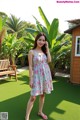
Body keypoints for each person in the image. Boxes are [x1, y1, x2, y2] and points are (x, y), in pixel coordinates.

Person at [25, 32, 53, 120]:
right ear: (36, 40)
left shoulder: (44, 51)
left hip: (46, 75)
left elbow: (49, 60)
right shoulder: (31, 52)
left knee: (42, 95)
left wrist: (47, 48)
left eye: (43, 40)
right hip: (36, 76)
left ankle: (40, 112)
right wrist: (30, 79)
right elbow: (30, 66)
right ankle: (27, 117)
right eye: (40, 40)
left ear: (45, 42)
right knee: (33, 97)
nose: (41, 42)